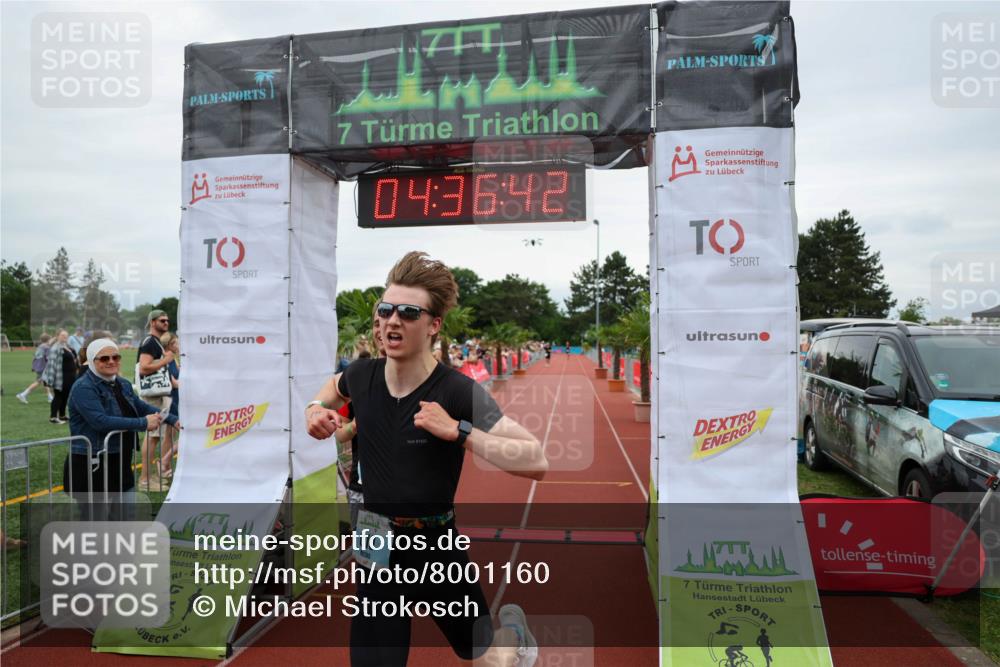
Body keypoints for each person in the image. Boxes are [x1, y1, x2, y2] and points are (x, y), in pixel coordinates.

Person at [306, 251, 546, 667]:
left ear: (434, 325)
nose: (391, 320)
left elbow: (535, 459)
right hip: (376, 543)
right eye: (385, 309)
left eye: (408, 312)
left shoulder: (456, 392)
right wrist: (314, 408)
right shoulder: (362, 376)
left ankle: (515, 635)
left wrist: (460, 432)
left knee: (486, 656)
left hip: (435, 545)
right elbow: (333, 387)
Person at [65, 338, 178, 502]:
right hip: (93, 462)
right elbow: (100, 421)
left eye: (116, 357)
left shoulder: (122, 384)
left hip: (120, 457)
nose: (111, 361)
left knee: (125, 513)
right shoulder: (83, 387)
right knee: (96, 518)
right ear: (91, 360)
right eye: (104, 358)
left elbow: (141, 407)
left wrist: (173, 419)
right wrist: (143, 423)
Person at [136, 309, 173, 490]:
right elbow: (144, 368)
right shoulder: (150, 342)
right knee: (152, 437)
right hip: (152, 397)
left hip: (158, 395)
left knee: (155, 437)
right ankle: (145, 479)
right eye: (162, 321)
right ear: (153, 322)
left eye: (167, 321)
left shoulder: (155, 342)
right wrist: (166, 360)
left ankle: (148, 476)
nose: (166, 323)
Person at [40, 330, 78, 424]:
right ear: (57, 336)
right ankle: (53, 417)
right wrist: (51, 379)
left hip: (70, 376)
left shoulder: (66, 346)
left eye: (66, 335)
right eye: (62, 335)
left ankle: (62, 415)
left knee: (65, 396)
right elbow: (51, 364)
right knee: (58, 396)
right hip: (60, 376)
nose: (65, 337)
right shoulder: (55, 348)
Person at [158, 332, 182, 482]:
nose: (178, 345)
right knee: (182, 433)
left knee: (169, 434)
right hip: (172, 399)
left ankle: (165, 464)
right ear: (170, 345)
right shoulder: (167, 359)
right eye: (176, 343)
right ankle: (165, 461)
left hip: (177, 398)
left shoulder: (173, 358)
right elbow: (174, 382)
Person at [16, 333, 54, 404]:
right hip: (43, 367)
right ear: (48, 340)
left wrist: (34, 366)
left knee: (44, 381)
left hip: (38, 366)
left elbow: (35, 357)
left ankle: (50, 397)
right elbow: (48, 358)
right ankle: (23, 394)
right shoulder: (47, 347)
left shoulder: (40, 346)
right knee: (38, 382)